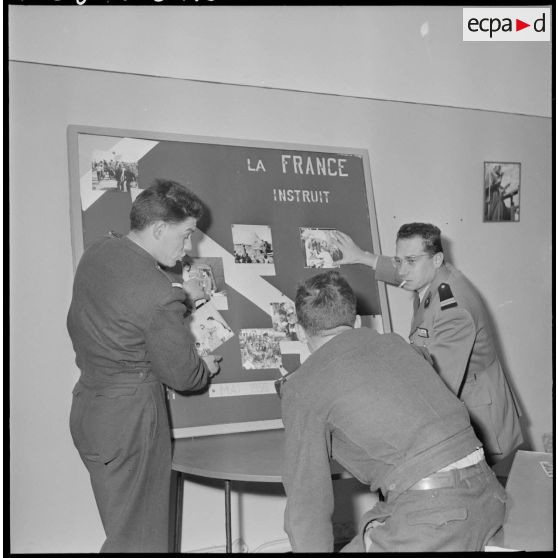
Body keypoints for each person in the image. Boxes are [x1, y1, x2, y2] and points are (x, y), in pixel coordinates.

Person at [279, 270, 507, 552]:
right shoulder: (397, 344)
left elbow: (307, 502)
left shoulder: (303, 385)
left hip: (435, 517)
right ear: (356, 320)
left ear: (300, 331)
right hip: (490, 495)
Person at [67, 179, 221, 552]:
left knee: (123, 530)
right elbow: (183, 376)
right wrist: (205, 367)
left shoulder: (99, 251)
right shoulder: (158, 295)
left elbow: (126, 303)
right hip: (131, 420)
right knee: (143, 541)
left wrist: (182, 295)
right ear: (158, 229)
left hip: (91, 408)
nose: (188, 248)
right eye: (185, 236)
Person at [331, 223, 522, 464]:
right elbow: (404, 269)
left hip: (480, 423)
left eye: (410, 261)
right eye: (399, 260)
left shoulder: (452, 308)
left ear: (437, 259)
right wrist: (362, 257)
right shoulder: (435, 277)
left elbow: (436, 384)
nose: (402, 270)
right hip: (465, 409)